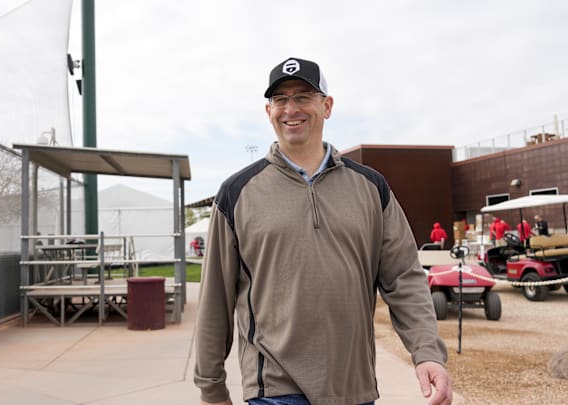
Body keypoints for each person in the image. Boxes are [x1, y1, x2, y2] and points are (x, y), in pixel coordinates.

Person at [194, 57, 452, 405]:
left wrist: (427, 352)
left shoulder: (371, 188)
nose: (291, 109)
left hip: (354, 387)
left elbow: (404, 278)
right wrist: (212, 388)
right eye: (280, 100)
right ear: (268, 110)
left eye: (303, 96)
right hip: (274, 390)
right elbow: (216, 300)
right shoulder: (237, 193)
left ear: (326, 106)